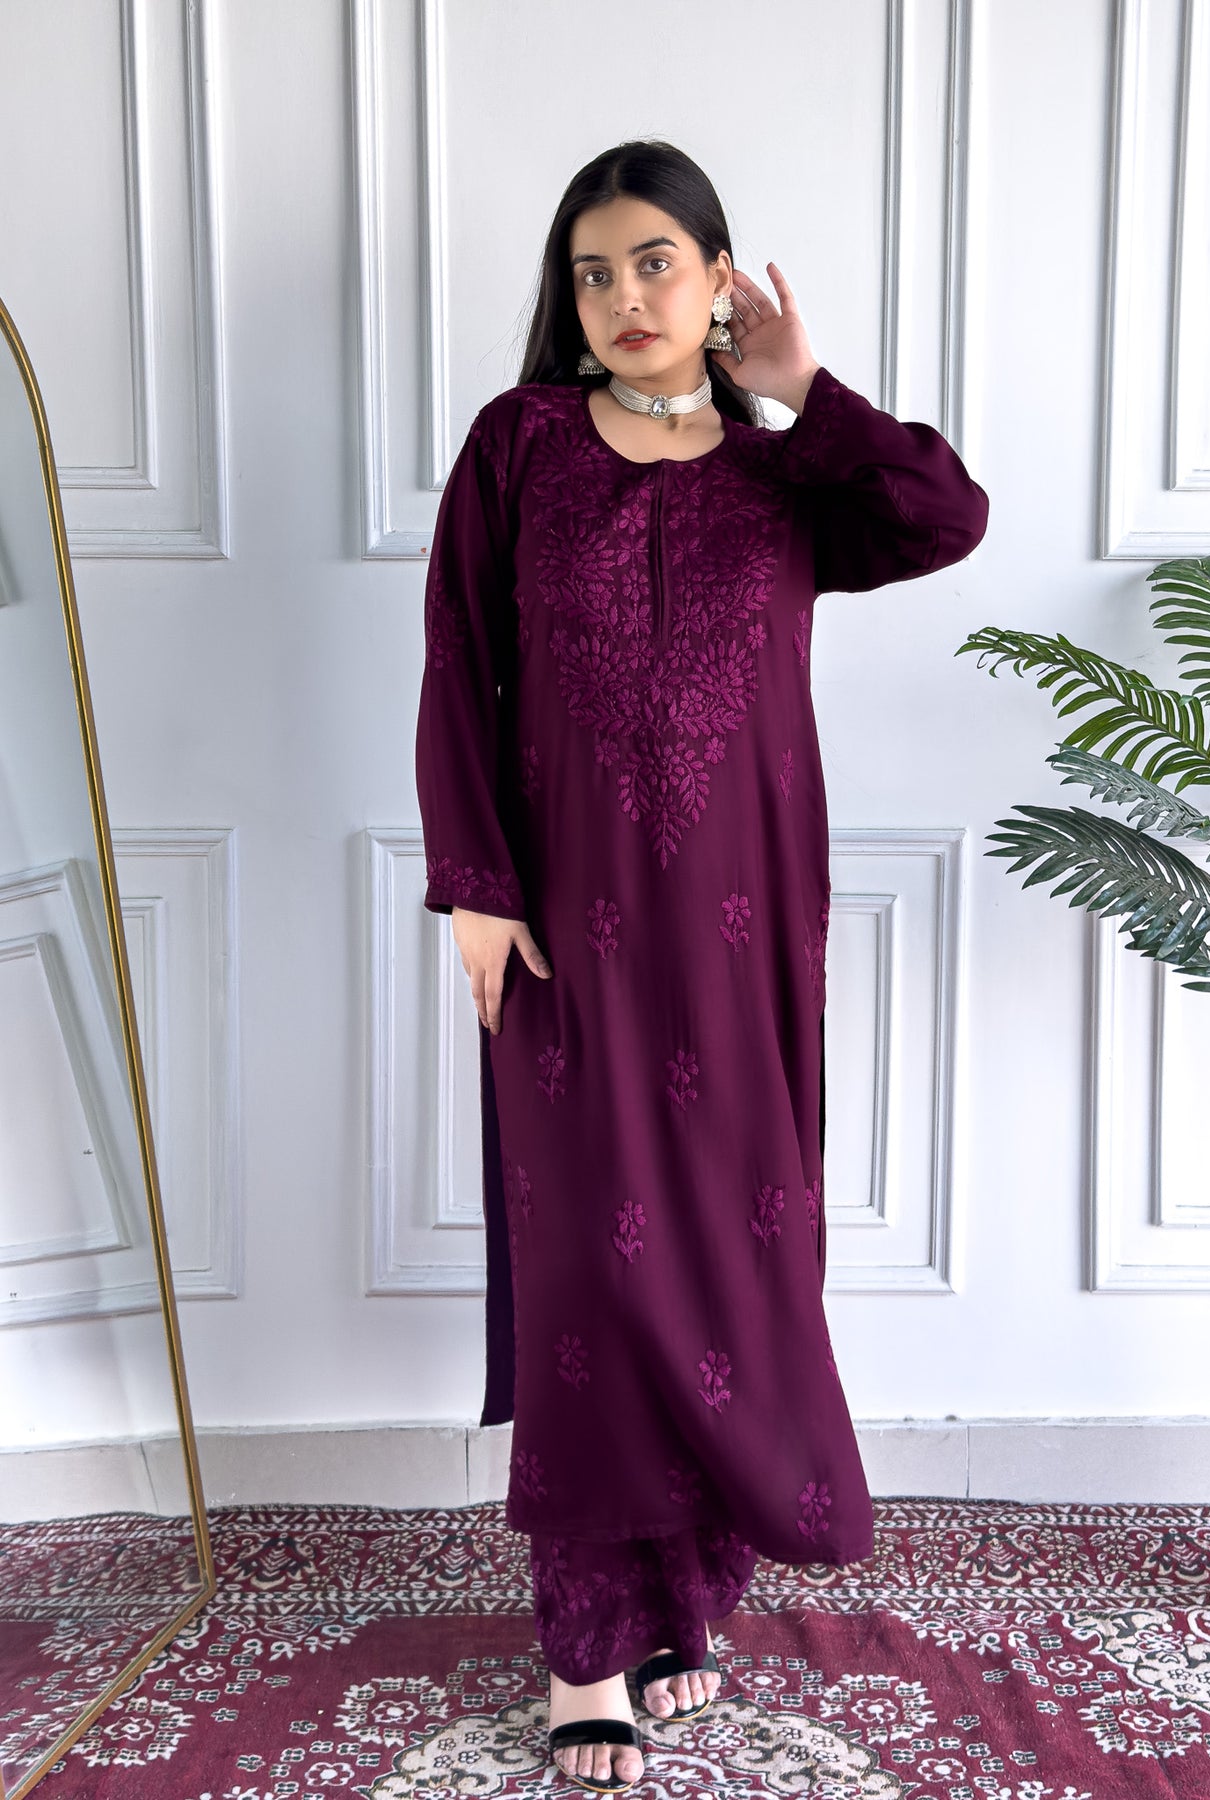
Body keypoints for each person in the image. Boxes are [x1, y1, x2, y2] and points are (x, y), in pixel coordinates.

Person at [414, 138, 989, 1794]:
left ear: (719, 278)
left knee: (737, 1252)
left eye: (654, 262)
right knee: (593, 1271)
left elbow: (945, 517)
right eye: (592, 272)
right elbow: (457, 661)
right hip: (563, 924)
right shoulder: (518, 446)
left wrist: (804, 392)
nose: (623, 297)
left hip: (743, 923)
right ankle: (585, 1644)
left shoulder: (785, 474)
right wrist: (472, 887)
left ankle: (683, 1603)